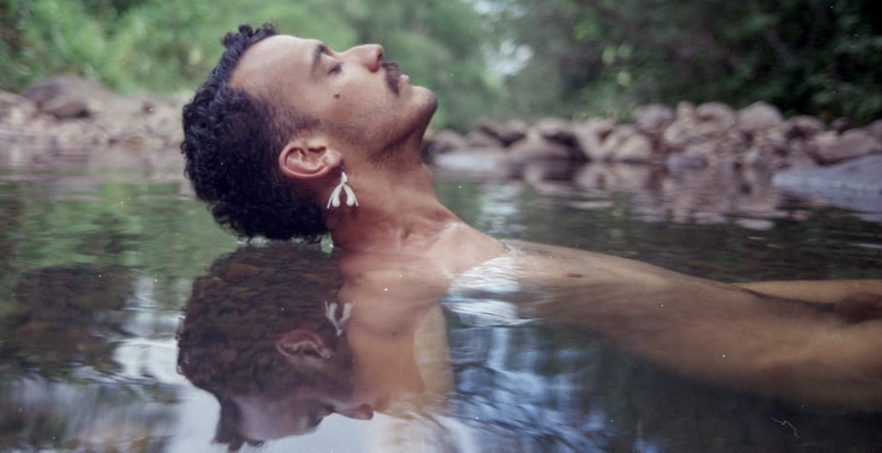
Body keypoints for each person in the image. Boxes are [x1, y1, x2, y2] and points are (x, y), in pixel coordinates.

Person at [181, 23, 882, 414]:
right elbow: (412, 424)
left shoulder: (446, 243)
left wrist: (854, 294)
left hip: (802, 326)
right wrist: (362, 395)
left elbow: (723, 305)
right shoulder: (392, 291)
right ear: (310, 154)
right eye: (330, 67)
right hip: (823, 365)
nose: (366, 52)